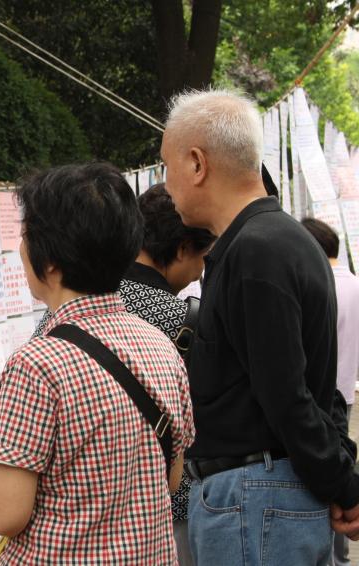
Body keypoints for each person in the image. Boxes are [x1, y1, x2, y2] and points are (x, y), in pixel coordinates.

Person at [161, 88, 359, 566]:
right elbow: (320, 386)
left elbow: (288, 395)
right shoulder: (281, 239)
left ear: (195, 164)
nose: (166, 186)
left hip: (255, 498)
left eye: (167, 168)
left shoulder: (256, 250)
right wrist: (340, 473)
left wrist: (344, 486)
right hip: (269, 494)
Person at [0, 163, 195, 563]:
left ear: (49, 262)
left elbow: (5, 514)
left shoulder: (37, 363)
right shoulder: (162, 346)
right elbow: (171, 478)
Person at [31, 182, 214, 565]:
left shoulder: (64, 311)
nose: (199, 271)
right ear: (181, 249)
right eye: (201, 258)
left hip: (71, 520)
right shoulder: (185, 321)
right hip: (160, 517)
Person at [302, 217, 359, 566]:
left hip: (316, 395)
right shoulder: (354, 284)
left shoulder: (318, 283)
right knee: (343, 462)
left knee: (322, 475)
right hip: (346, 393)